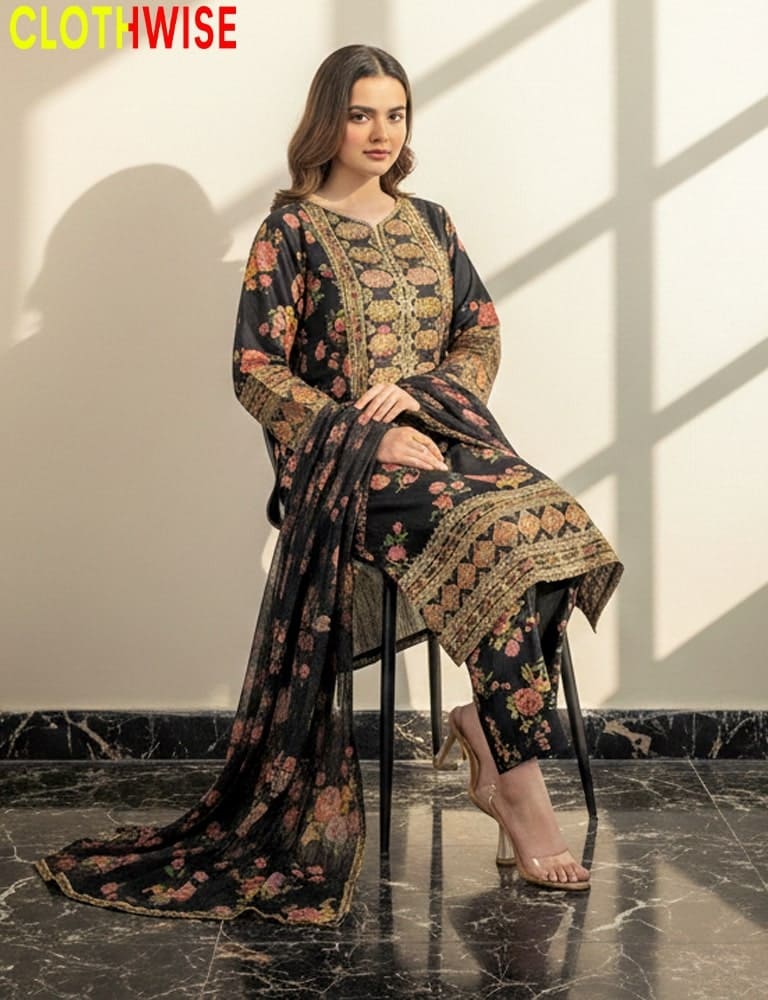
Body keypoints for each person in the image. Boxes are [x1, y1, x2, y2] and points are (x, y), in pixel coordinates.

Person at [34, 44, 622, 924]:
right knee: (494, 536)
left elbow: (479, 336)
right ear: (326, 122)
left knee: (553, 523)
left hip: (451, 444)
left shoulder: (434, 222)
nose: (380, 133)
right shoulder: (291, 232)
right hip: (348, 473)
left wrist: (423, 400)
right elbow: (255, 370)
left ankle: (484, 732)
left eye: (395, 114)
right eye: (360, 115)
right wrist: (369, 432)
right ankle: (524, 795)